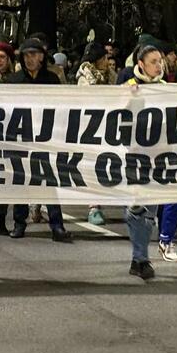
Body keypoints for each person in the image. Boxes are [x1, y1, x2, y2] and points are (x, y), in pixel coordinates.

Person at [5, 37, 72, 242]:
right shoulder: (14, 80)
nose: (29, 59)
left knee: (49, 180)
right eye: (26, 55)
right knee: (21, 180)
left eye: (33, 54)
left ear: (42, 57)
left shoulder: (52, 79)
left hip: (46, 137)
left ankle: (57, 225)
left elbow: (62, 107)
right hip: (21, 137)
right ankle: (19, 223)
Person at [120, 45, 167, 279]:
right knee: (138, 208)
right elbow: (113, 116)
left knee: (148, 212)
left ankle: (138, 259)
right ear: (140, 64)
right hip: (133, 156)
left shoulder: (165, 89)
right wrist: (130, 99)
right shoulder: (128, 88)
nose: (159, 65)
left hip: (158, 157)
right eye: (153, 61)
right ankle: (142, 259)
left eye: (160, 61)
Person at [75, 42, 115, 226]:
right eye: (105, 58)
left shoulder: (111, 76)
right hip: (91, 128)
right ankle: (93, 207)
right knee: (93, 167)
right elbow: (88, 101)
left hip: (110, 126)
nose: (108, 61)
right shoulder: (85, 77)